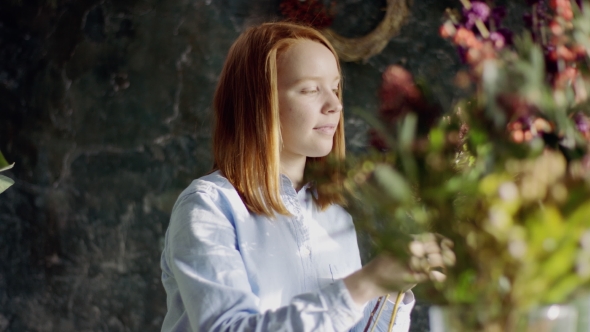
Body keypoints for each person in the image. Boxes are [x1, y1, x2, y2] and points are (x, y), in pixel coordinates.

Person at [160, 22, 424, 332]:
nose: (335, 105)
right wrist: (364, 284)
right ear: (260, 101)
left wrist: (393, 288)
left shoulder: (334, 214)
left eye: (335, 87)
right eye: (311, 89)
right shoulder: (209, 206)